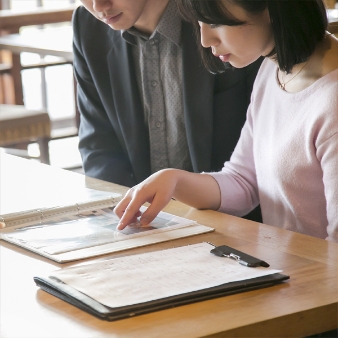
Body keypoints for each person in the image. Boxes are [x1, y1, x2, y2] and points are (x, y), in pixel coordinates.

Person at [114, 0, 338, 243]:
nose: (205, 40)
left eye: (214, 22)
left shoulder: (330, 100)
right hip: (288, 270)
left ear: (271, 9)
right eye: (199, 23)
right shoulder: (274, 69)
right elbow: (244, 182)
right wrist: (173, 179)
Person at [73, 0, 262, 192]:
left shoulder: (220, 11)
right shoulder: (88, 27)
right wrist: (129, 213)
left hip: (235, 210)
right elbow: (98, 147)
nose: (98, 6)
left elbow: (262, 154)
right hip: (142, 216)